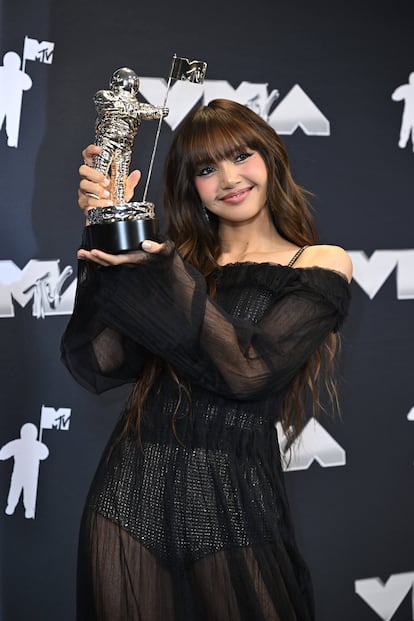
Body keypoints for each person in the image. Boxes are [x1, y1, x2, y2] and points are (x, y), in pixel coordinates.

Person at [61, 98, 352, 621]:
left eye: (242, 156)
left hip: (236, 500)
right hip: (131, 493)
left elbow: (251, 371)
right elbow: (104, 361)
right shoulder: (172, 261)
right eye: (206, 168)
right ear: (190, 184)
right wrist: (107, 237)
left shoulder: (315, 262)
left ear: (271, 157)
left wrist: (165, 270)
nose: (229, 178)